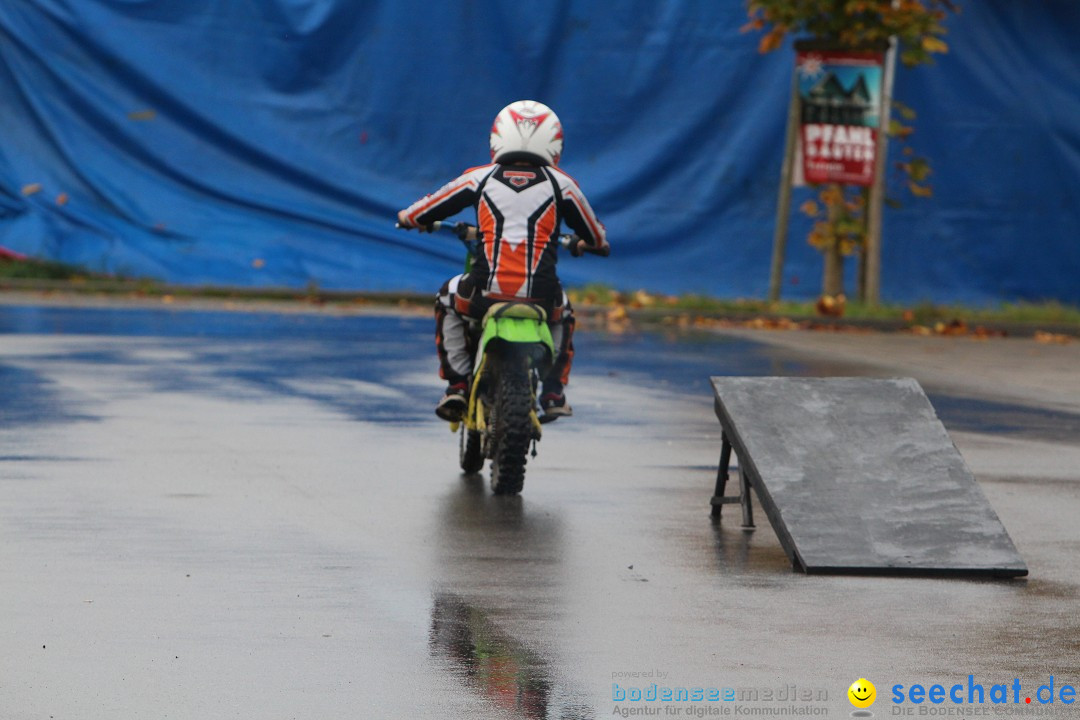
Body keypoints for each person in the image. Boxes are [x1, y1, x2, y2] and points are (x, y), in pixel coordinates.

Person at [397, 100, 609, 423]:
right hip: (541, 297)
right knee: (563, 312)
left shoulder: (478, 178)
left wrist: (409, 218)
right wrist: (587, 243)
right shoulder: (563, 185)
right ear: (554, 142)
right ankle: (552, 391)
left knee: (446, 298)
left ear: (499, 137)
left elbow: (425, 209)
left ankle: (457, 384)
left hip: (483, 295)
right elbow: (596, 235)